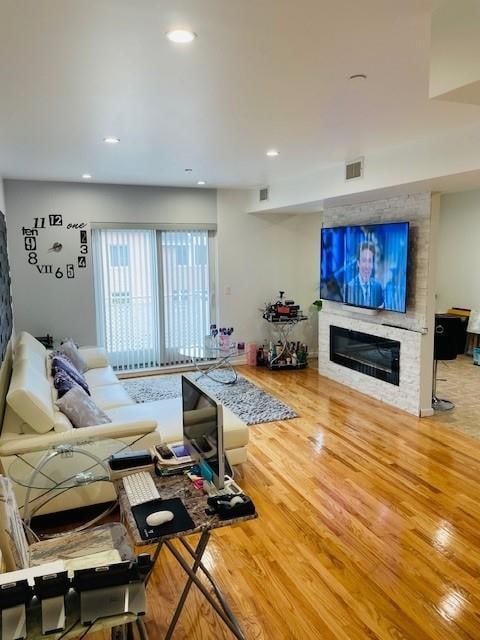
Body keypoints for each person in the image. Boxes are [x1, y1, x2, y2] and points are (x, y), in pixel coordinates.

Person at [345, 241, 384, 308]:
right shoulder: (350, 287)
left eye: (370, 261)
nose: (367, 266)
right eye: (364, 260)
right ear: (358, 263)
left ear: (372, 264)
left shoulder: (378, 287)